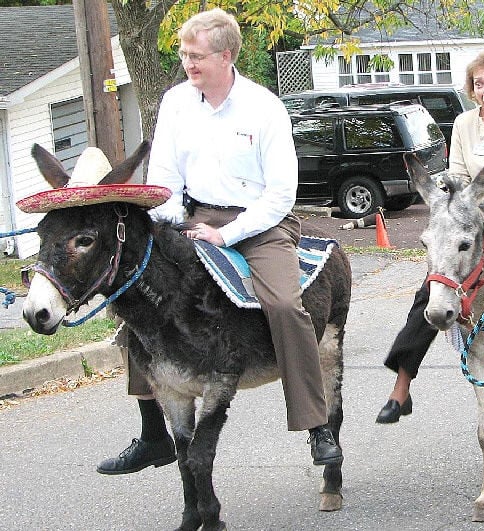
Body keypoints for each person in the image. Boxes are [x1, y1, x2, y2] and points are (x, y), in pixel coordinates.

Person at [96, 8, 342, 475]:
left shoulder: (264, 107)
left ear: (226, 56)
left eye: (196, 56)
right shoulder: (175, 103)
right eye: (185, 54)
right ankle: (154, 435)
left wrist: (226, 234)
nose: (188, 63)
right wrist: (158, 221)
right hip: (195, 215)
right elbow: (166, 182)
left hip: (263, 223)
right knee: (135, 291)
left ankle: (316, 424)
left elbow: (280, 195)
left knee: (286, 305)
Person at [375, 50, 484, 423]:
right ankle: (403, 383)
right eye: (478, 84)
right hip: (473, 220)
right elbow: (458, 178)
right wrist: (449, 205)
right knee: (437, 281)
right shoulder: (465, 124)